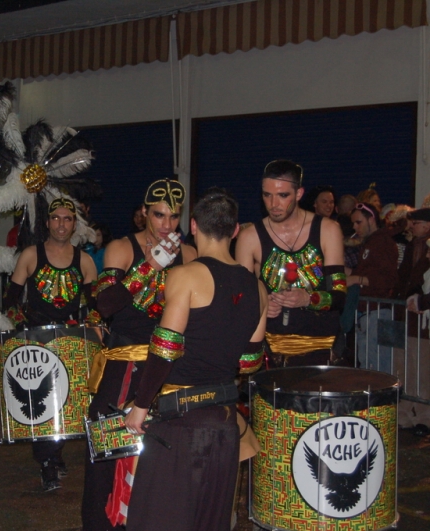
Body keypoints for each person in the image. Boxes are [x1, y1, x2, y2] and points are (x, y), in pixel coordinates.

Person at [124, 190, 268, 531]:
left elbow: (164, 350)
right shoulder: (258, 288)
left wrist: (140, 406)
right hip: (225, 424)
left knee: (160, 519)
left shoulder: (185, 276)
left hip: (179, 423)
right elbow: (249, 362)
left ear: (192, 226)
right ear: (234, 231)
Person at [81, 179, 196, 530]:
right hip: (123, 364)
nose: (167, 225)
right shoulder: (122, 248)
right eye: (159, 215)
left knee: (162, 458)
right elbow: (104, 305)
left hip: (171, 368)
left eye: (174, 217)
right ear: (144, 212)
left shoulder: (189, 254)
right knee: (107, 453)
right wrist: (149, 268)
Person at [4, 197, 98, 491]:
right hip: (36, 338)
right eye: (56, 218)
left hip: (70, 339)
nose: (61, 224)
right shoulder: (31, 254)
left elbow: (94, 305)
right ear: (47, 223)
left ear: (74, 223)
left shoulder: (85, 260)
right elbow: (11, 298)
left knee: (66, 400)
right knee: (40, 400)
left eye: (67, 219)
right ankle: (47, 461)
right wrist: (18, 332)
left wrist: (94, 327)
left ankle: (54, 455)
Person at [235, 160, 346, 367]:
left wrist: (308, 299)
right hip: (272, 349)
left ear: (299, 194)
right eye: (267, 195)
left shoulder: (328, 230)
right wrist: (261, 304)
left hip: (322, 348)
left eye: (282, 195)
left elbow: (339, 296)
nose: (273, 204)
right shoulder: (250, 237)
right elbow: (240, 298)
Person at [347, 202, 398, 372]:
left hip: (378, 312)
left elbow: (386, 279)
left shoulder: (383, 242)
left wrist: (355, 278)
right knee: (367, 361)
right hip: (367, 313)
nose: (355, 227)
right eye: (353, 223)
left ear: (371, 219)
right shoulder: (369, 244)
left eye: (359, 222)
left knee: (377, 365)